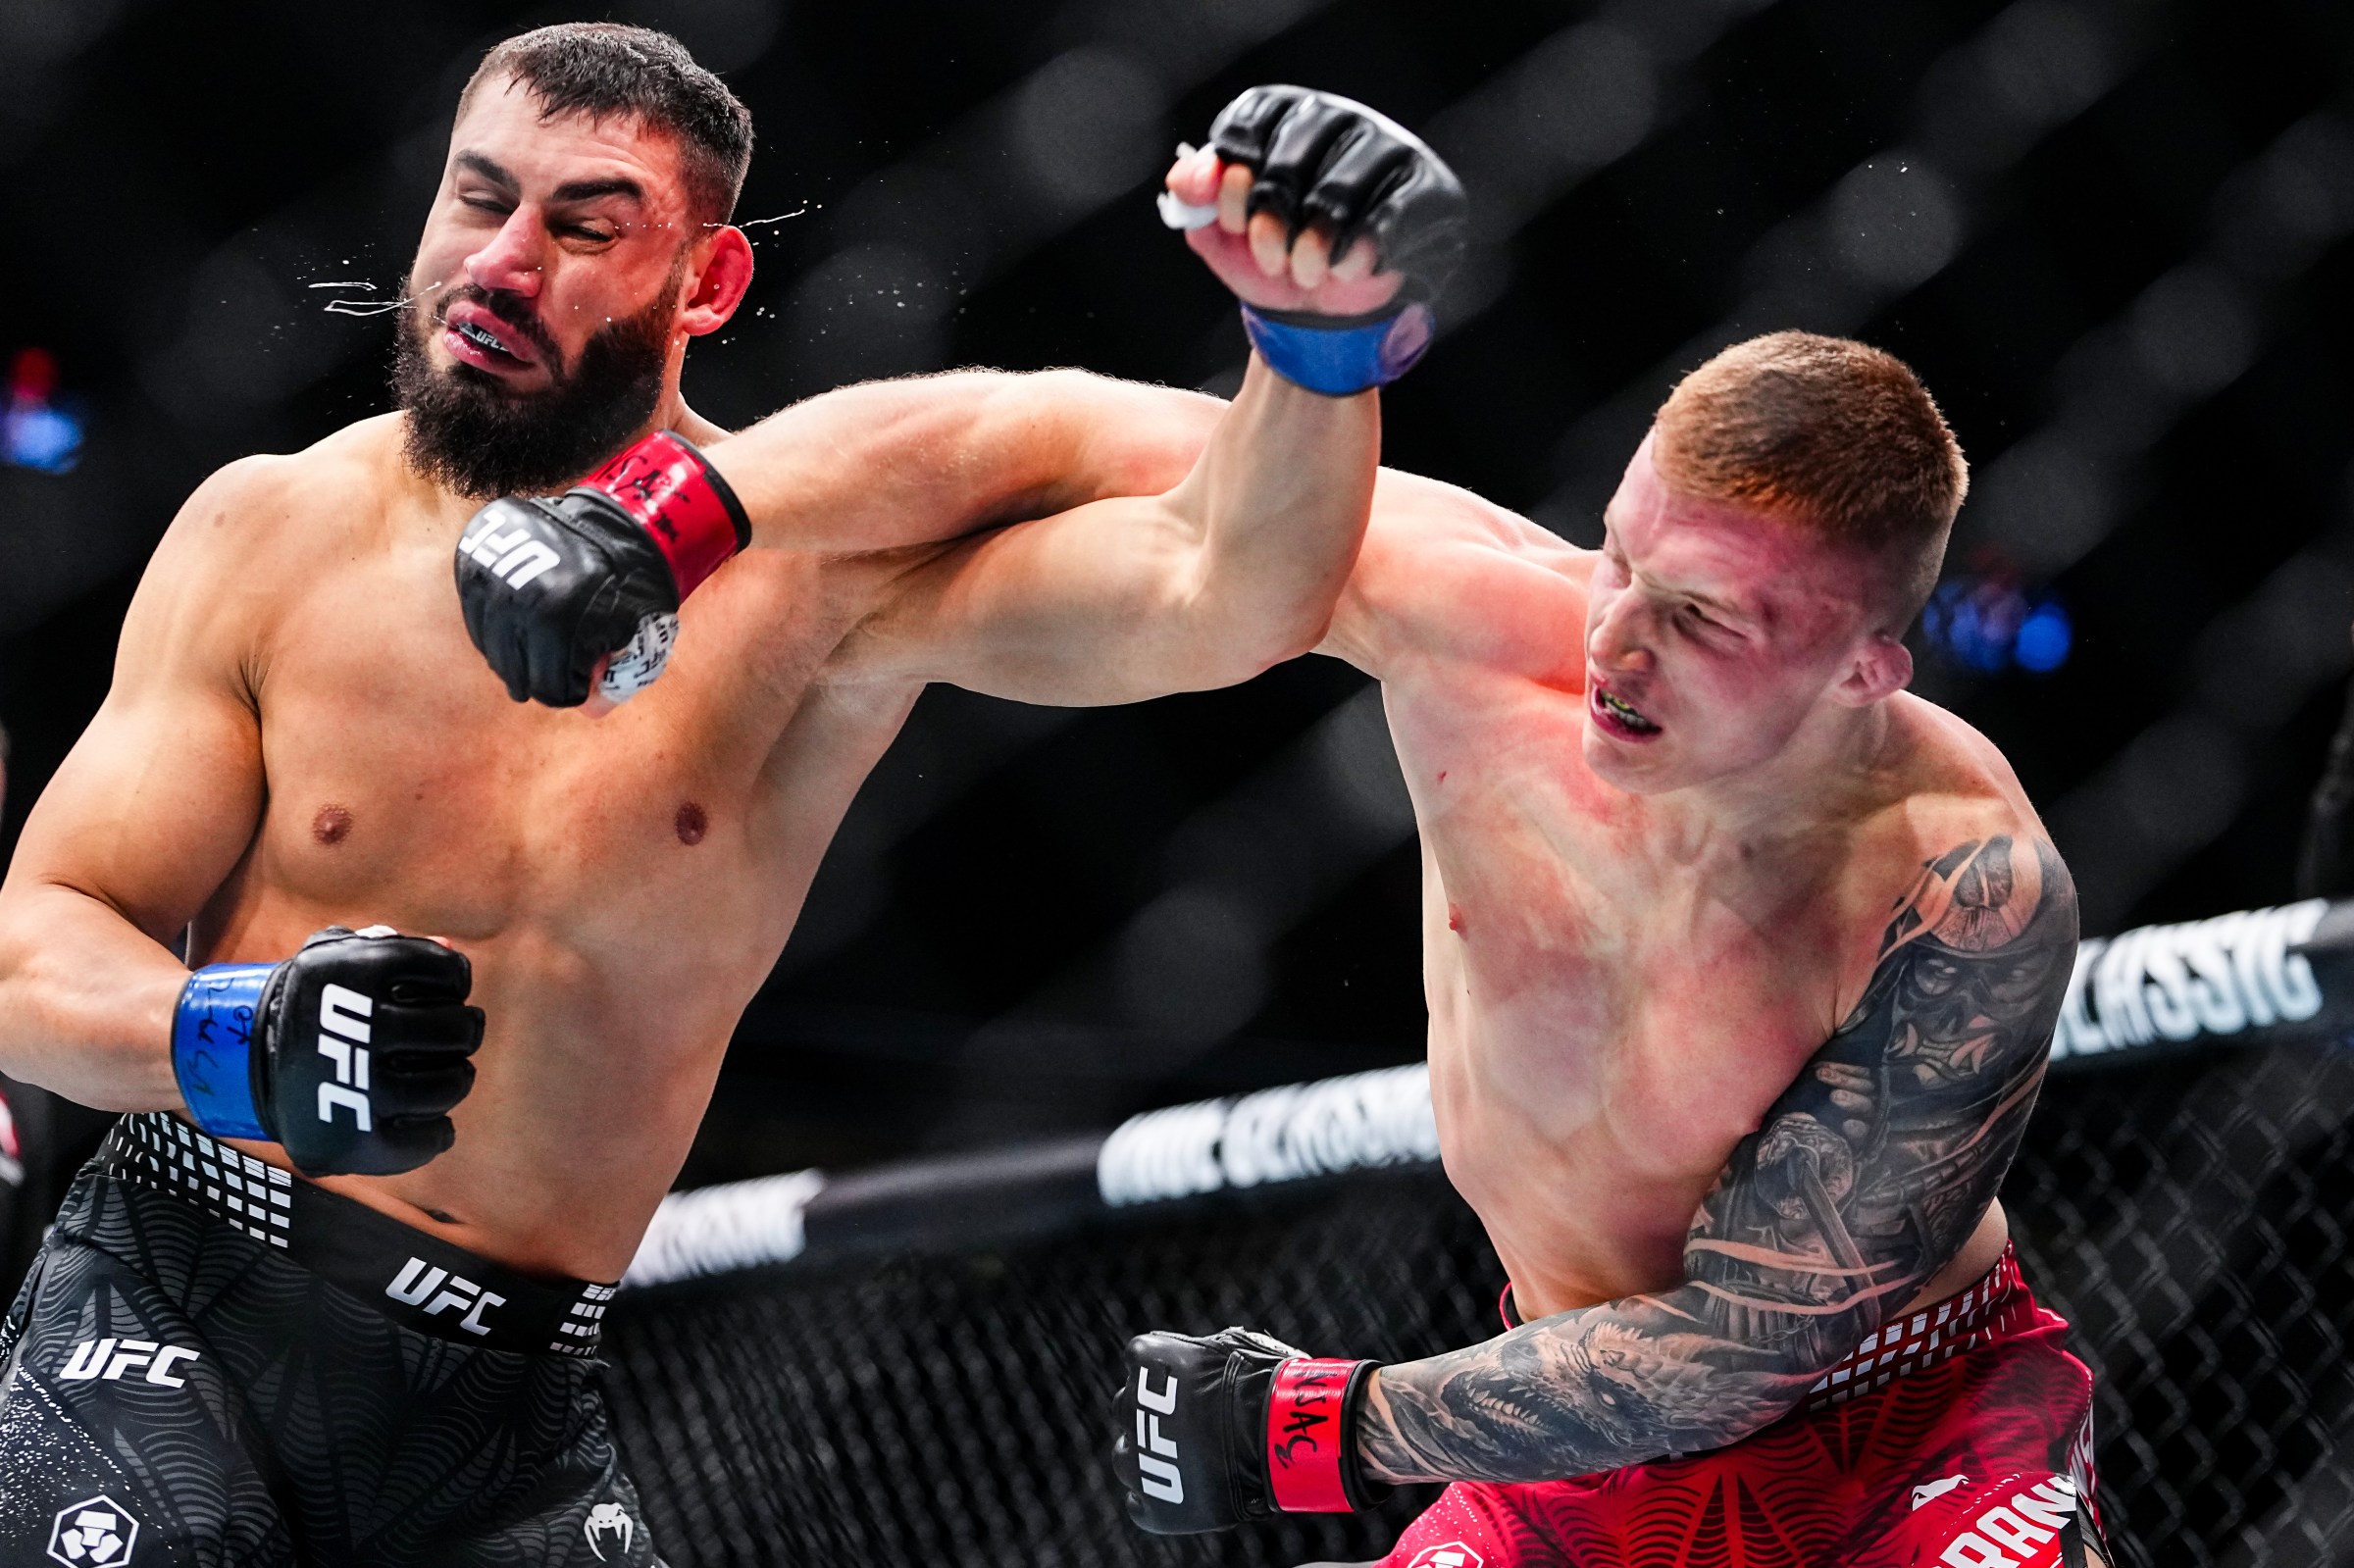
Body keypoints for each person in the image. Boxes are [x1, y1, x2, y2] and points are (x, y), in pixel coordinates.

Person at [0, 25, 1463, 1566]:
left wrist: (1315, 349)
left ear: (706, 285)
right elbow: (33, 946)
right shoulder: (267, 529)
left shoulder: (811, 594)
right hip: (177, 1300)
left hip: (503, 1415)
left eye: (581, 228)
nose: (499, 263)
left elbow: (1225, 592)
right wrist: (234, 1038)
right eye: (476, 198)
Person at [1115, 329, 2112, 1567]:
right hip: (1575, 1444)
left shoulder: (1960, 879)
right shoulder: (1471, 612)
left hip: (1900, 1431)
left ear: (1860, 672)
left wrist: (1321, 1424)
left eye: (1700, 614)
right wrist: (1297, 327)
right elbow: (1114, 457)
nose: (1614, 637)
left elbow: (1742, 1347)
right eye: (1620, 557)